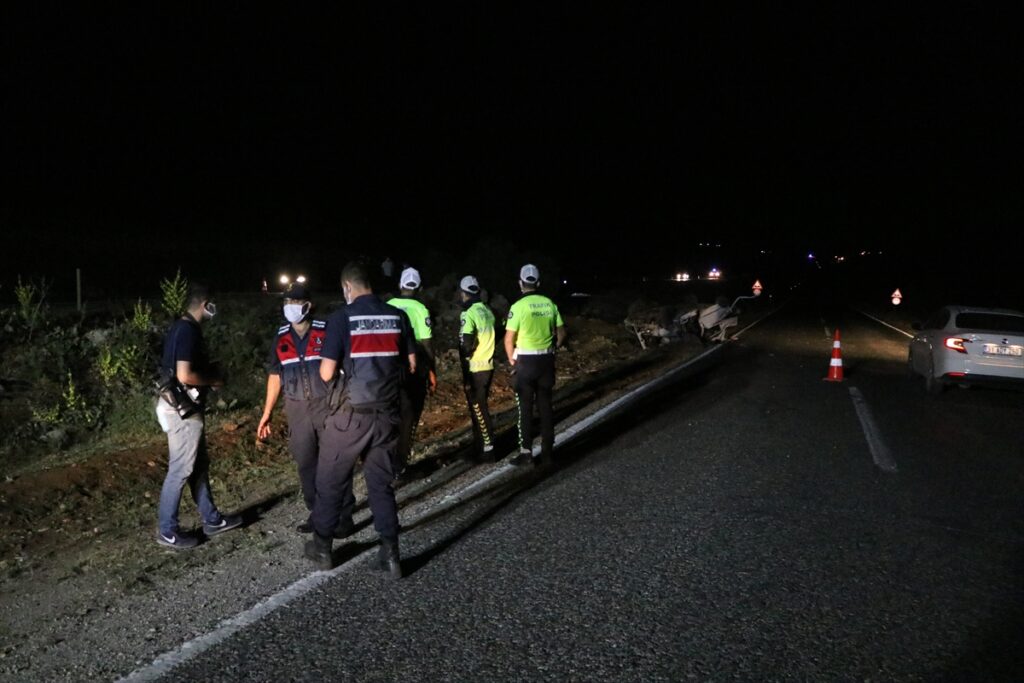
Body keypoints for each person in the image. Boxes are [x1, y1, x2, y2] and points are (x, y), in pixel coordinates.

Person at [305, 261, 416, 578]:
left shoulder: (342, 319)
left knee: (330, 480)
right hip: (386, 416)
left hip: (350, 417)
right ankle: (391, 553)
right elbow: (410, 364)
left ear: (347, 288)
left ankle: (323, 548)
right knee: (381, 484)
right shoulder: (398, 316)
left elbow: (326, 373)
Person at [154, 282, 242, 549]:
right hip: (182, 411)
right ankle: (167, 530)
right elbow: (184, 375)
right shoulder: (188, 330)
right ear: (205, 304)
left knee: (198, 467)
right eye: (212, 305)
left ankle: (212, 519)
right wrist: (212, 379)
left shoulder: (180, 327)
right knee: (180, 470)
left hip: (178, 407)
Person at [257, 281, 347, 534]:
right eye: (287, 302)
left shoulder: (326, 329)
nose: (291, 307)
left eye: (296, 302)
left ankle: (344, 513)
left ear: (309, 305)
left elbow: (343, 366)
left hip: (327, 405)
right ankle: (317, 514)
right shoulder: (281, 335)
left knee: (335, 461)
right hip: (297, 410)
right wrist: (267, 414)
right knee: (306, 464)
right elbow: (275, 375)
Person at [503, 264, 567, 467]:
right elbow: (562, 333)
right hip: (546, 361)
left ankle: (526, 453)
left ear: (521, 283)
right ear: (538, 283)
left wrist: (512, 360)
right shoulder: (549, 304)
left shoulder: (518, 306)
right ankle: (548, 453)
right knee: (546, 407)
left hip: (526, 363)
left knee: (525, 409)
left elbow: (508, 339)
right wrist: (554, 347)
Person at [387, 267, 436, 477]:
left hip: (389, 367)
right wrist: (432, 370)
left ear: (399, 285)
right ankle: (401, 463)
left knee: (390, 415)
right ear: (420, 288)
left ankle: (385, 461)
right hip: (415, 368)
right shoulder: (420, 309)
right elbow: (426, 343)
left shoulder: (387, 306)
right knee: (410, 415)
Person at [457, 275, 497, 460]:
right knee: (478, 407)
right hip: (488, 364)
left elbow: (466, 341)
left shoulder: (469, 313)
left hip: (476, 367)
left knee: (479, 408)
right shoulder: (486, 310)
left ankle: (488, 449)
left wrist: (466, 357)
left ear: (464, 293)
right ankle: (480, 446)